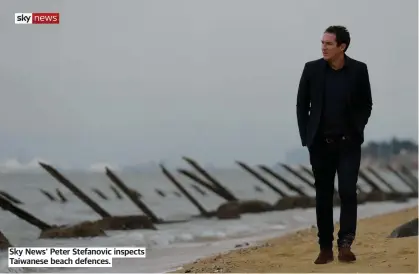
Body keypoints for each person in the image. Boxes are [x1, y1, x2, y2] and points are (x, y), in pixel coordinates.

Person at [296, 25, 372, 264]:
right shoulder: (312, 70)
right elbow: (302, 105)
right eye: (322, 43)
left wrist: (357, 129)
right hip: (320, 144)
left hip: (348, 144)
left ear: (342, 46)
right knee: (323, 196)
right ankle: (325, 248)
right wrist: (307, 138)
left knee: (348, 191)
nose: (323, 47)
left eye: (329, 44)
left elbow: (366, 104)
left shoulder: (359, 70)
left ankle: (345, 243)